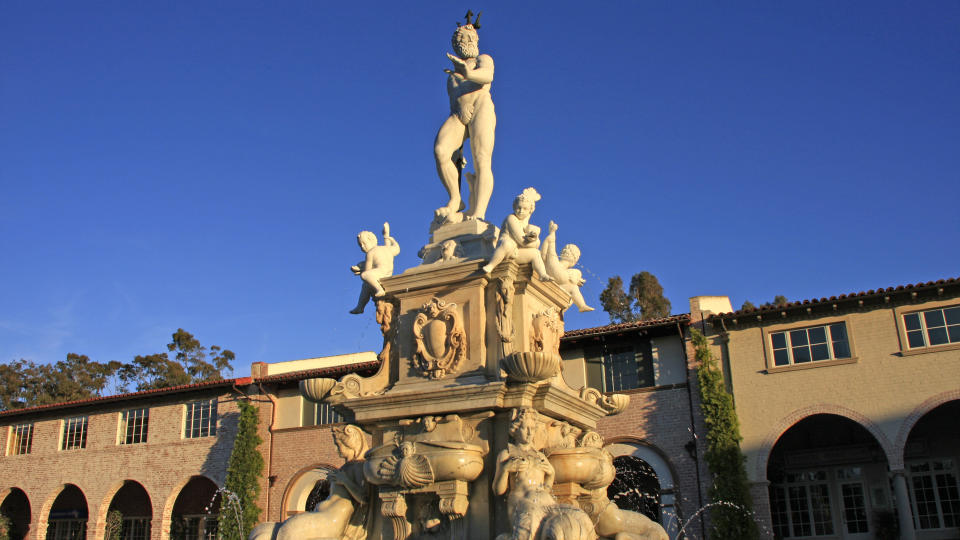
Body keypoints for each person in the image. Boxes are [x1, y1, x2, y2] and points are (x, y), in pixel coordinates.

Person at [249, 425, 371, 540]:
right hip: (321, 516)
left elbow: (364, 498)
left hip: (330, 522)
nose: (336, 449)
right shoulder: (346, 468)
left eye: (339, 445)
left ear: (350, 444)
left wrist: (344, 480)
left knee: (290, 531)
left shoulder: (359, 467)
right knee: (262, 530)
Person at [434, 14, 496, 223]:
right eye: (463, 40)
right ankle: (455, 199)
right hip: (459, 115)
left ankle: (479, 212)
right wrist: (460, 109)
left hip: (481, 107)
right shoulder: (451, 75)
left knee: (481, 160)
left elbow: (487, 76)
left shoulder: (483, 59)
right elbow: (454, 98)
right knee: (441, 151)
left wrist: (468, 73)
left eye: (471, 38)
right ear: (457, 45)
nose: (469, 42)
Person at [481, 188, 552, 280]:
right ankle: (491, 265)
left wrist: (534, 238)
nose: (521, 211)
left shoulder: (527, 225)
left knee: (535, 253)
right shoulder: (511, 219)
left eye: (525, 208)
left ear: (531, 210)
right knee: (508, 244)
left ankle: (542, 275)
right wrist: (535, 242)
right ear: (514, 207)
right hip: (505, 250)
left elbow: (531, 245)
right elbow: (522, 241)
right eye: (519, 207)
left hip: (516, 253)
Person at [541, 221, 595, 312]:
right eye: (576, 257)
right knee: (576, 277)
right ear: (574, 258)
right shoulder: (555, 263)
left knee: (573, 287)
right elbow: (548, 250)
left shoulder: (558, 265)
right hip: (553, 279)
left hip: (557, 285)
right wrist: (552, 232)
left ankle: (580, 306)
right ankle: (580, 306)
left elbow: (544, 254)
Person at [350, 223, 400, 314]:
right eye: (360, 245)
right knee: (366, 286)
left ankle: (379, 290)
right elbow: (397, 249)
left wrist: (361, 270)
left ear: (372, 240)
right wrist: (388, 237)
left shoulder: (370, 253)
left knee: (365, 277)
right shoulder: (386, 249)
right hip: (388, 273)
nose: (362, 247)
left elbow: (368, 270)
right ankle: (360, 307)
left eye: (364, 244)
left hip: (381, 272)